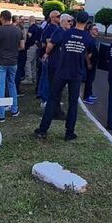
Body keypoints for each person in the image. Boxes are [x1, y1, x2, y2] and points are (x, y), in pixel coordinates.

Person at [35, 10, 94, 141]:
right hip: (76, 73)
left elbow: (52, 44)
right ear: (87, 22)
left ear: (75, 20)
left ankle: (43, 130)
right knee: (73, 103)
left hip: (61, 71)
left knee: (52, 99)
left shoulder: (66, 33)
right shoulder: (88, 38)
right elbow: (89, 54)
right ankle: (69, 132)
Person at [0, 10, 24, 120]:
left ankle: (1, 114)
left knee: (0, 86)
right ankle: (14, 109)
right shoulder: (18, 30)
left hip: (0, 62)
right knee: (12, 84)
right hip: (13, 61)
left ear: (2, 18)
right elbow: (22, 46)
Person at [37, 10, 62, 104]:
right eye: (58, 16)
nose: (60, 18)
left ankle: (43, 96)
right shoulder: (50, 29)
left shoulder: (56, 28)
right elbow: (46, 43)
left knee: (46, 77)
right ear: (52, 18)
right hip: (48, 57)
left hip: (51, 56)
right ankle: (45, 99)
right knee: (47, 78)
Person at [83, 23, 101, 104]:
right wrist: (89, 63)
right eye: (94, 29)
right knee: (89, 80)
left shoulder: (94, 39)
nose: (97, 30)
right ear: (90, 31)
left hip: (94, 64)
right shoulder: (89, 40)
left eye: (97, 29)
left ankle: (90, 94)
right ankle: (86, 97)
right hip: (89, 65)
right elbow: (86, 53)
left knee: (91, 79)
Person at [25, 15, 42, 84]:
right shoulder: (38, 27)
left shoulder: (31, 28)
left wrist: (27, 45)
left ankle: (28, 78)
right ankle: (34, 77)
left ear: (30, 20)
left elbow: (29, 37)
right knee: (33, 62)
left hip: (31, 46)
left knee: (28, 62)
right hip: (37, 46)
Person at [13, 15, 27, 93]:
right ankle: (16, 89)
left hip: (14, 53)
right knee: (17, 72)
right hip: (19, 52)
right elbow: (22, 45)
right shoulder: (20, 31)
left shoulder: (16, 29)